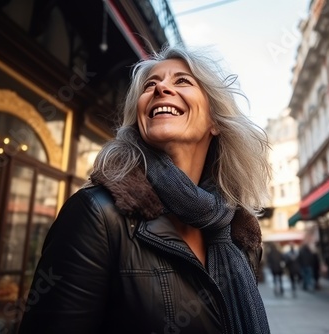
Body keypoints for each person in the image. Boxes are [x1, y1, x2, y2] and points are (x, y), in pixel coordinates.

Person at [18, 45, 272, 334]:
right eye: (150, 84)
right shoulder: (97, 215)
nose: (161, 88)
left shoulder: (241, 238)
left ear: (214, 121)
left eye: (182, 81)